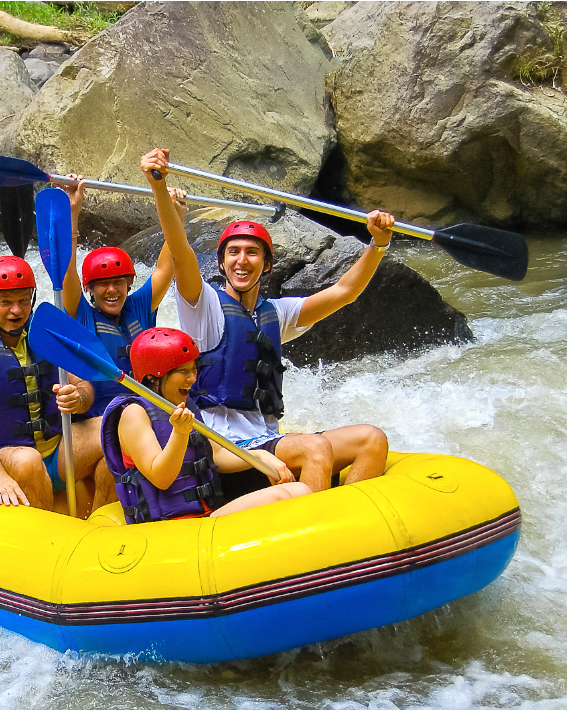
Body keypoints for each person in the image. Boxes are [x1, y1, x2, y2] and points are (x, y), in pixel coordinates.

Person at [141, 147, 395, 494]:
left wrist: (378, 244)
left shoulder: (276, 312)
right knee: (313, 447)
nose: (241, 261)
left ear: (267, 264)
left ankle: (351, 531)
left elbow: (344, 292)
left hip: (268, 439)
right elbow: (180, 248)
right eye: (233, 252)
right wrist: (159, 188)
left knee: (371, 440)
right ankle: (315, 539)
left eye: (252, 252)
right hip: (227, 452)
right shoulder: (204, 307)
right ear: (221, 263)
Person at [0, 255, 113, 514]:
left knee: (113, 427)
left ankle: (100, 526)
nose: (17, 310)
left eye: (24, 300)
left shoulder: (41, 332)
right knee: (27, 460)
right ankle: (49, 541)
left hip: (54, 452)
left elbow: (83, 383)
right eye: (6, 302)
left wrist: (79, 397)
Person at [102, 328, 311, 523]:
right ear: (152, 377)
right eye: (182, 371)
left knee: (301, 490)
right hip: (168, 527)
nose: (192, 378)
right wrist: (180, 433)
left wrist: (260, 457)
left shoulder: (184, 404)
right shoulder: (134, 414)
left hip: (204, 516)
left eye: (193, 369)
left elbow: (217, 455)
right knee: (279, 496)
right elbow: (161, 478)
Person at [58, 177, 183, 416]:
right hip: (102, 420)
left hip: (144, 414)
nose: (112, 290)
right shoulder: (80, 315)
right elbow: (67, 268)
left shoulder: (138, 309)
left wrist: (176, 216)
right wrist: (72, 211)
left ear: (128, 284)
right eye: (103, 284)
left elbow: (167, 267)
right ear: (90, 290)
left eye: (118, 283)